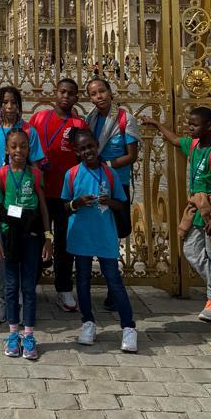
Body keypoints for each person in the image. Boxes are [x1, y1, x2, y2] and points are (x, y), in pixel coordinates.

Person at [142, 107, 211, 321]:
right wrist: (157, 125)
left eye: (195, 125)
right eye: (189, 124)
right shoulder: (194, 145)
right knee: (192, 250)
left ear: (209, 126)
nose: (190, 128)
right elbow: (175, 140)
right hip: (196, 209)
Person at [63, 127, 137, 352]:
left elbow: (121, 204)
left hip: (105, 235)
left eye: (91, 146)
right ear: (77, 152)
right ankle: (88, 322)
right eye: (83, 149)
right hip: (81, 235)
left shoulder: (110, 174)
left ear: (97, 146)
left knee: (114, 279)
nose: (88, 151)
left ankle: (128, 327)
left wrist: (109, 202)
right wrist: (77, 203)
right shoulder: (72, 174)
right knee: (82, 280)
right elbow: (64, 206)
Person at [0, 85, 44, 322]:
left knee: (26, 247)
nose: (10, 106)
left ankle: (22, 295)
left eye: (14, 102)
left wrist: (39, 191)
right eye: (5, 102)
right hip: (0, 198)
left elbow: (36, 164)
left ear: (19, 105)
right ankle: (0, 298)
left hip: (25, 200)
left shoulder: (29, 131)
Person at [0, 128, 52, 361]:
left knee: (28, 286)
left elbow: (43, 206)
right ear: (6, 149)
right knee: (11, 286)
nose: (19, 150)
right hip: (9, 236)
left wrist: (48, 237)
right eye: (14, 146)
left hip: (32, 235)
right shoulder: (1, 175)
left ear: (29, 148)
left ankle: (29, 335)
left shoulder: (35, 174)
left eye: (23, 146)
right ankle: (13, 333)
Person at [30, 78, 89, 312]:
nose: (65, 96)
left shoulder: (78, 124)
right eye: (62, 91)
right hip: (39, 190)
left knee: (64, 242)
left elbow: (84, 155)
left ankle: (63, 288)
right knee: (35, 239)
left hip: (66, 193)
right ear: (55, 93)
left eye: (70, 93)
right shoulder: (40, 118)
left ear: (76, 97)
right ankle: (30, 285)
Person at [85, 78, 139, 194]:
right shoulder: (90, 119)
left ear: (110, 92)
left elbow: (132, 156)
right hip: (94, 179)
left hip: (118, 181)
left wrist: (104, 165)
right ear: (90, 99)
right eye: (93, 94)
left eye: (102, 91)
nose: (99, 96)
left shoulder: (126, 119)